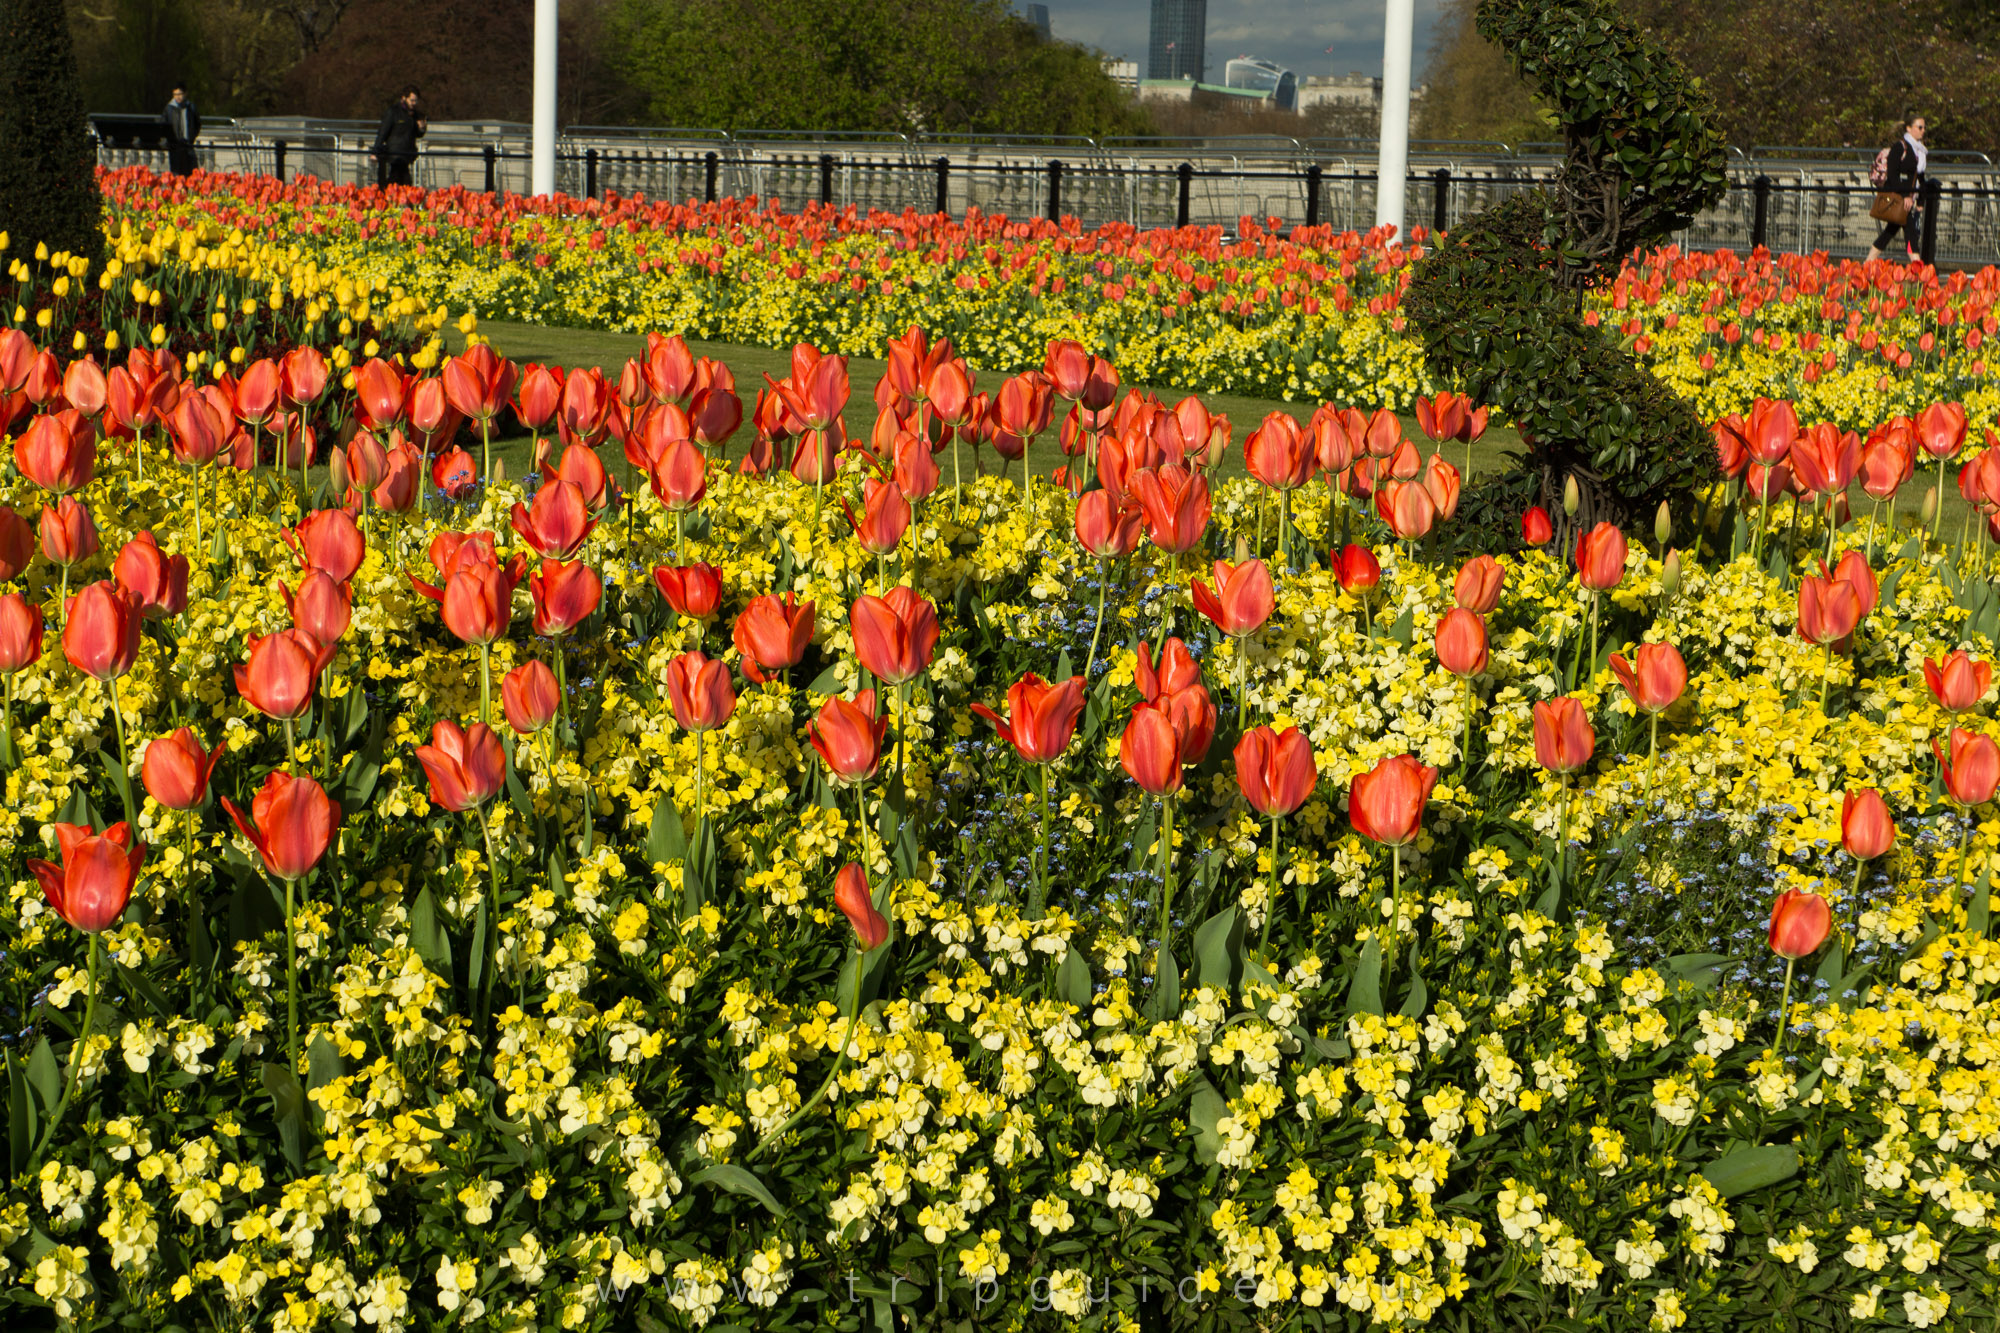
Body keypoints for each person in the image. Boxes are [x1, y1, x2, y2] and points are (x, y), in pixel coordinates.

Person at [1867, 114, 1927, 263]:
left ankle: (1868, 262)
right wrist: (1905, 195)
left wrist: (1920, 199)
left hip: (1907, 198)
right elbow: (1893, 174)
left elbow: (1918, 176)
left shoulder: (1919, 151)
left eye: (1924, 127)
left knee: (1891, 231)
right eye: (1919, 127)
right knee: (1910, 231)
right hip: (1898, 197)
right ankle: (1917, 266)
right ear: (1909, 128)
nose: (1923, 131)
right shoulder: (1900, 147)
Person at [371, 85, 427, 188]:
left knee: (404, 183)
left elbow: (417, 134)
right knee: (397, 183)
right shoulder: (393, 112)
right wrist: (375, 151)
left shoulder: (415, 115)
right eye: (412, 100)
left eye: (416, 101)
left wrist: (421, 128)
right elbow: (383, 132)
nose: (414, 103)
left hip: (407, 154)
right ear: (404, 98)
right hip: (394, 155)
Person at [163, 85, 200, 177]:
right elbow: (164, 124)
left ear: (185, 94)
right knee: (176, 172)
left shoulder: (191, 107)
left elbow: (197, 124)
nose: (177, 97)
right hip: (175, 145)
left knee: (191, 171)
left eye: (180, 94)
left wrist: (192, 137)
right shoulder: (169, 108)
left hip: (188, 144)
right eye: (175, 94)